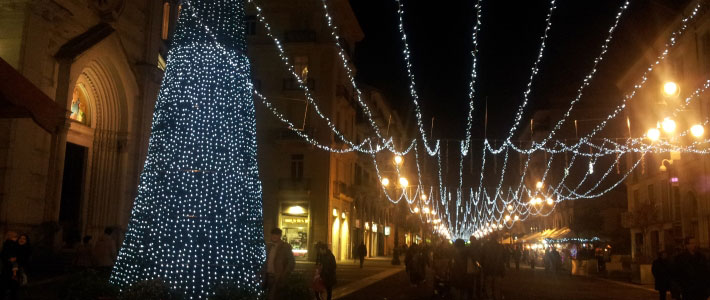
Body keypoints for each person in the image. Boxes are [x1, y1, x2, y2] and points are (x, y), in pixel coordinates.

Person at [264, 228, 294, 300]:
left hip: (277, 277)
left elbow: (291, 262)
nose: (274, 236)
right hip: (267, 277)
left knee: (273, 297)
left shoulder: (285, 247)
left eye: (276, 235)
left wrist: (284, 275)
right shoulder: (268, 246)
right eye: (273, 235)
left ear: (280, 236)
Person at [481, 234, 505, 300]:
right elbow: (503, 259)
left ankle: (490, 298)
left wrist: (483, 267)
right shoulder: (500, 247)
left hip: (488, 269)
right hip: (498, 270)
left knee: (488, 287)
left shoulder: (485, 246)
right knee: (497, 288)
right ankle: (497, 298)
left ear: (490, 237)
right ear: (497, 237)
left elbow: (482, 258)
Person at [0, 232, 19, 300]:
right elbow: (4, 255)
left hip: (11, 266)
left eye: (16, 236)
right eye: (14, 236)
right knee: (9, 281)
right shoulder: (9, 244)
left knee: (9, 282)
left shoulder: (12, 244)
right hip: (10, 266)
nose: (15, 238)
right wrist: (10, 259)